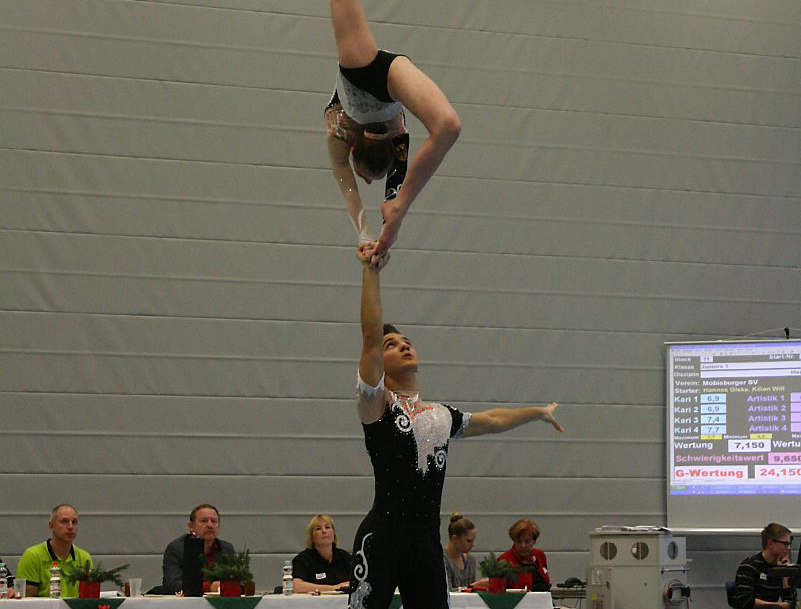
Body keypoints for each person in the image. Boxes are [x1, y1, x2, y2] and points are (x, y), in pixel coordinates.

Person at [349, 242, 564, 609]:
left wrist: (536, 412)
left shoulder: (440, 415)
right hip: (380, 540)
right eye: (391, 344)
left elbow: (493, 420)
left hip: (424, 547)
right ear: (378, 362)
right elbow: (369, 336)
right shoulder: (376, 405)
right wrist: (372, 269)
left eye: (406, 342)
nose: (403, 346)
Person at [326, 0, 461, 264]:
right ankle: (401, 208)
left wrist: (368, 237)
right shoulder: (389, 139)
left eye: (364, 177)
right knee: (448, 126)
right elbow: (388, 194)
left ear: (353, 149)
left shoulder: (341, 131)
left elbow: (353, 191)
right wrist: (381, 239)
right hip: (369, 72)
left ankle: (401, 207)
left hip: (374, 75)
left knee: (449, 127)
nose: (364, 183)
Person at [16, 504, 92, 598]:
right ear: (51, 526)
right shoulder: (32, 555)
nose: (70, 527)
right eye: (64, 521)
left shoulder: (84, 557)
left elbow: (88, 599)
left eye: (74, 522)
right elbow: (26, 601)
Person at [161, 504, 235, 594]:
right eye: (204, 521)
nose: (210, 525)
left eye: (214, 521)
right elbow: (174, 584)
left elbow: (241, 581)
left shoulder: (226, 548)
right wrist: (210, 587)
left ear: (218, 526)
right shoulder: (177, 549)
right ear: (191, 526)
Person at [732, 522, 797, 609]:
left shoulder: (781, 567)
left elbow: (791, 602)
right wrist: (779, 606)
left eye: (789, 544)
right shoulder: (749, 566)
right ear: (770, 543)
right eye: (785, 544)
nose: (789, 548)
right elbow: (744, 600)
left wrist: (784, 574)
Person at [292, 515, 352, 593]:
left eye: (327, 527)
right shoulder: (302, 559)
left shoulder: (345, 557)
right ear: (312, 537)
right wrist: (335, 588)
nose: (324, 531)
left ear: (334, 533)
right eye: (318, 529)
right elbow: (296, 586)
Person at [499, 518, 551, 591]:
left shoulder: (540, 555)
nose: (523, 545)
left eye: (527, 541)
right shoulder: (505, 560)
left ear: (534, 541)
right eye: (519, 541)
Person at [443, 513, 487, 590]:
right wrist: (476, 585)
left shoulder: (470, 560)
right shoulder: (443, 560)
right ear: (455, 539)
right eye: (469, 541)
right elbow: (447, 592)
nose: (473, 545)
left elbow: (472, 593)